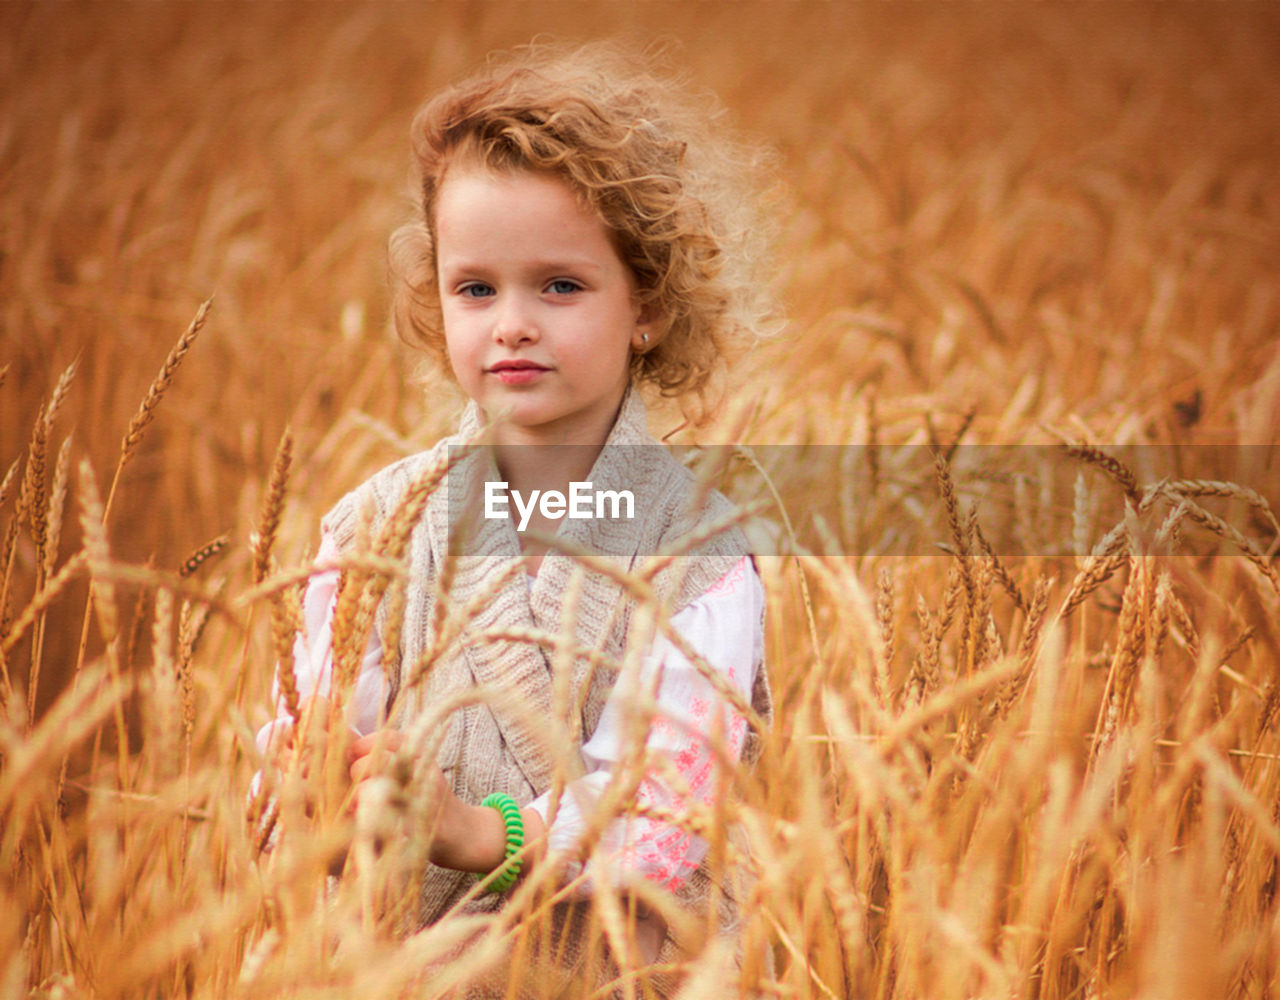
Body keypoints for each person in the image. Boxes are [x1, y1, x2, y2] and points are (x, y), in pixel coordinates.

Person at [256, 40, 776, 997]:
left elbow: (661, 826)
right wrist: (324, 791)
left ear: (647, 305)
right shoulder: (373, 528)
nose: (512, 324)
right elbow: (296, 747)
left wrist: (475, 828)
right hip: (408, 959)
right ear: (437, 301)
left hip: (632, 969)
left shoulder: (697, 550)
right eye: (477, 288)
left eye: (561, 285)